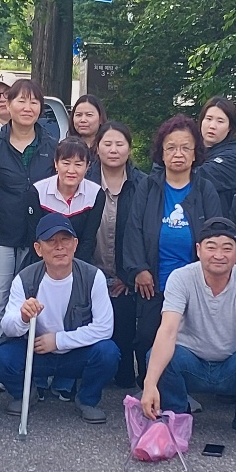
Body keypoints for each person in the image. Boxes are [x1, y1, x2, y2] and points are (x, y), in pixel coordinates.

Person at [138, 217, 236, 440]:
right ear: (198, 250)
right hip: (190, 361)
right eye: (211, 247)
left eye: (227, 248)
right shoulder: (180, 278)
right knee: (158, 355)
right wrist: (149, 384)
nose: (219, 255)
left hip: (233, 364)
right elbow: (167, 331)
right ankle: (177, 413)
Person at [0, 213, 120, 421]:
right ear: (38, 249)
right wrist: (23, 317)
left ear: (75, 244)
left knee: (108, 353)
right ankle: (26, 393)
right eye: (51, 241)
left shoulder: (93, 277)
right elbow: (8, 327)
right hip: (36, 351)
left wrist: (58, 341)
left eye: (65, 239)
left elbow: (104, 328)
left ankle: (87, 399)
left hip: (75, 352)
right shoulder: (24, 279)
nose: (60, 247)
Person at [121, 115, 223, 383]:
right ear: (162, 153)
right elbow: (133, 229)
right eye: (171, 148)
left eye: (185, 147)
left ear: (195, 153)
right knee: (147, 336)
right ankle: (148, 386)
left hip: (195, 282)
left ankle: (180, 390)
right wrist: (139, 269)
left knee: (186, 340)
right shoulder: (148, 186)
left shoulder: (205, 189)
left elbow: (217, 235)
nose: (178, 154)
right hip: (155, 281)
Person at [0, 79, 57, 357]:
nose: (28, 107)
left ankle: (26, 361)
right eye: (21, 100)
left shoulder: (52, 146)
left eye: (34, 102)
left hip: (38, 235)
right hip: (0, 232)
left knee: (31, 298)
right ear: (9, 104)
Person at [93, 121, 150, 387]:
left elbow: (145, 235)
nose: (113, 150)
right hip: (91, 272)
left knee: (126, 334)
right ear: (97, 147)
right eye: (107, 144)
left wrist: (129, 275)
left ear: (129, 148)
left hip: (127, 277)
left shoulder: (143, 184)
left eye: (120, 144)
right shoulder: (85, 180)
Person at [33, 137, 102, 263]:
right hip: (43, 261)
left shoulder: (96, 193)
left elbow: (88, 239)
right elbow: (35, 237)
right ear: (56, 163)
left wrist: (73, 269)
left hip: (81, 262)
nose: (71, 170)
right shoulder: (37, 192)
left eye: (78, 164)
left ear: (87, 166)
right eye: (66, 163)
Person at [193, 96, 236, 212]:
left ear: (230, 127)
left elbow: (199, 178)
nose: (212, 126)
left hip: (215, 219)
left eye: (220, 121)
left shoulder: (231, 155)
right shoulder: (188, 146)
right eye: (208, 118)